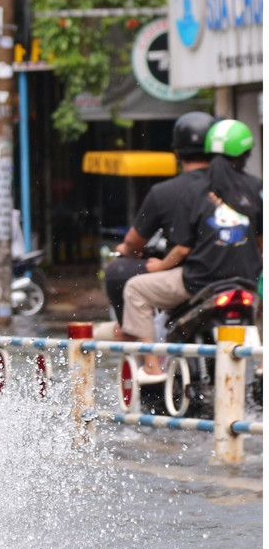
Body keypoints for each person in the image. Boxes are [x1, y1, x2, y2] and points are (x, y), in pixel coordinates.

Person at [120, 118, 263, 382]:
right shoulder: (256, 187)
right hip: (248, 280)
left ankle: (152, 368)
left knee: (135, 289)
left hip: (199, 282)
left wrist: (159, 266)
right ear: (247, 153)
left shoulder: (194, 190)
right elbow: (260, 241)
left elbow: (183, 249)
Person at [100, 111, 216, 331]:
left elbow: (176, 248)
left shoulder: (168, 193)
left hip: (191, 276)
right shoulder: (239, 187)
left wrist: (133, 252)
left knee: (118, 272)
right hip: (239, 271)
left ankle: (140, 347)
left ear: (177, 152)